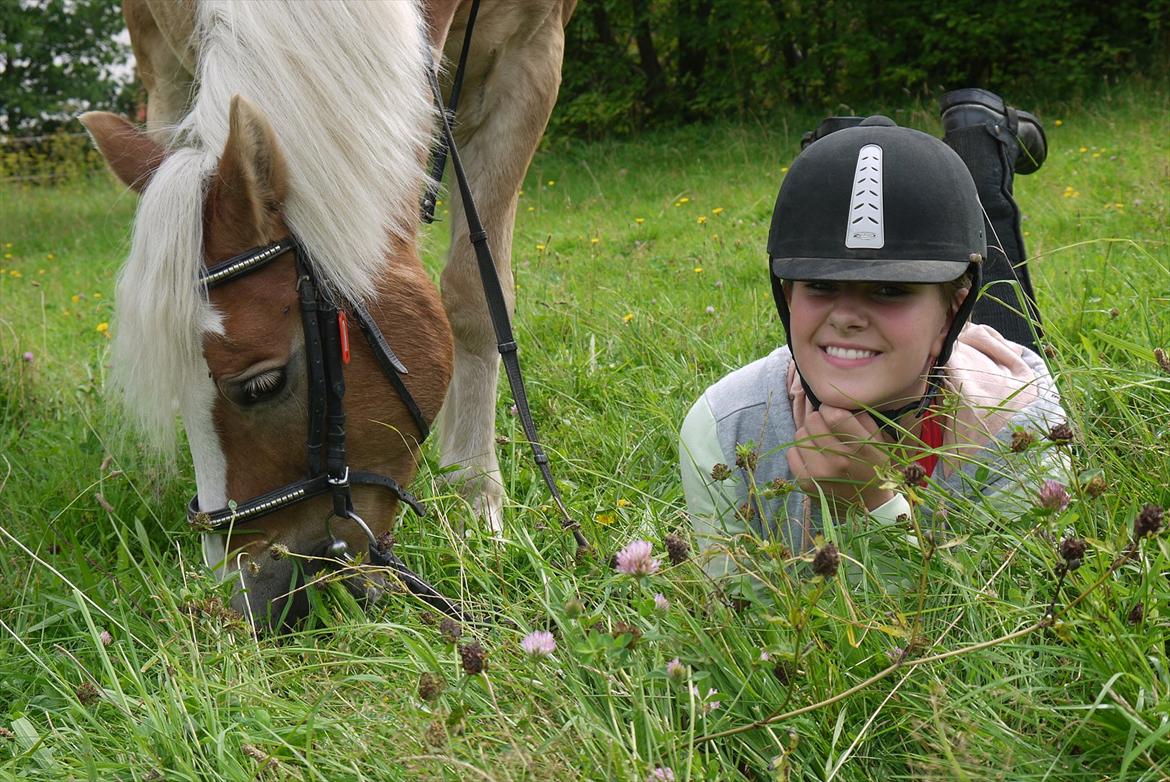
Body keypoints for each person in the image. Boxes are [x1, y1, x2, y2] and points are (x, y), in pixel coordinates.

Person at [679, 90, 1067, 581]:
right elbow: (735, 620)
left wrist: (871, 505)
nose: (846, 316)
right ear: (787, 291)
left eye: (888, 288)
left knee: (998, 275)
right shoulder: (724, 426)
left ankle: (982, 141)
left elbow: (996, 633)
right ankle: (856, 153)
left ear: (953, 313)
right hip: (912, 348)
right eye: (819, 283)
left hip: (982, 375)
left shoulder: (1019, 427)